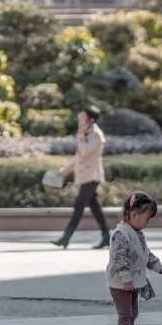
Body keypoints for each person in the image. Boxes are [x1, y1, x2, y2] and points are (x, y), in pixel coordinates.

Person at [107, 191, 162, 325]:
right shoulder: (121, 234)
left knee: (133, 313)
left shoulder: (137, 233)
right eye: (146, 219)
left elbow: (146, 255)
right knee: (125, 314)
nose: (147, 223)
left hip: (132, 282)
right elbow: (118, 258)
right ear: (134, 214)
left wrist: (160, 268)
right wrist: (125, 278)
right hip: (121, 283)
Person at [51, 107, 110, 249]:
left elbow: (85, 152)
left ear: (91, 120)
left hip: (92, 176)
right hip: (85, 176)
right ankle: (107, 236)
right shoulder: (84, 134)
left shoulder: (96, 135)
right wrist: (64, 171)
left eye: (83, 117)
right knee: (95, 208)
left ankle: (66, 238)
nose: (80, 119)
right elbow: (78, 158)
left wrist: (81, 134)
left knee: (79, 207)